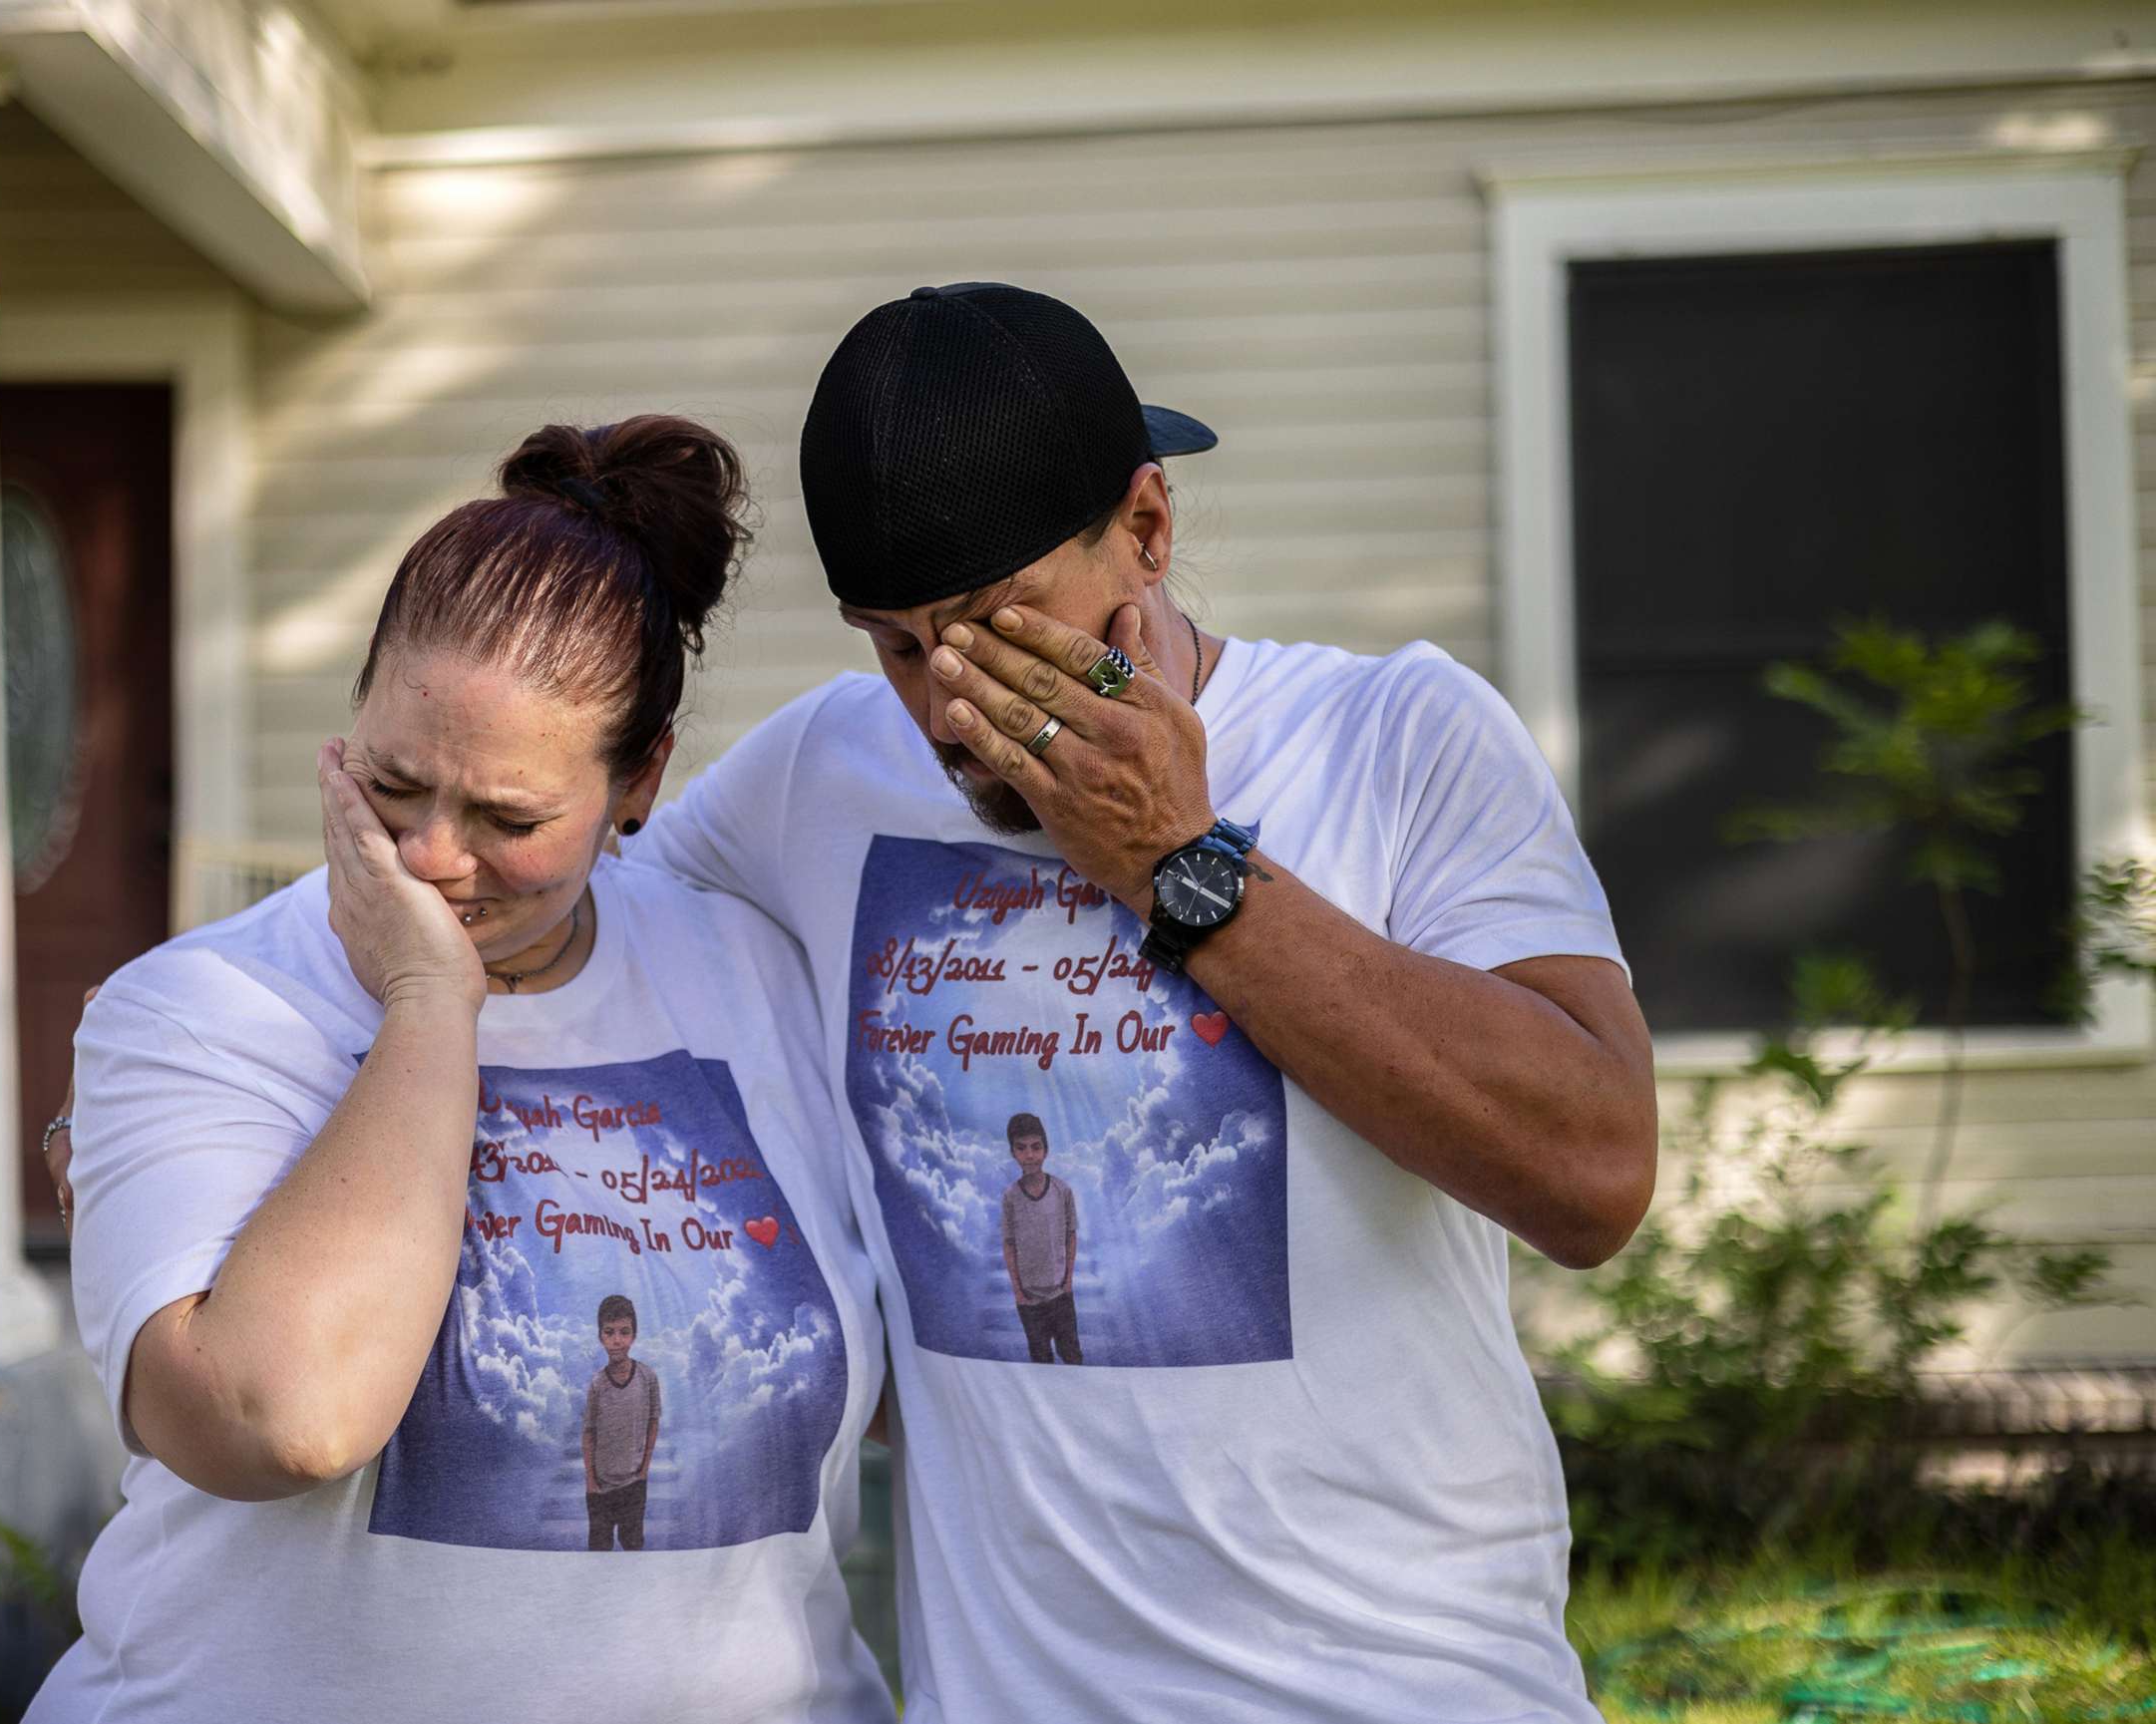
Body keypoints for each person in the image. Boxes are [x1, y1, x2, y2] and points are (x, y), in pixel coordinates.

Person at [628, 283, 1660, 1721]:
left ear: (1149, 530)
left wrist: (1186, 869)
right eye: (896, 642)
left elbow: (1595, 1173)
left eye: (993, 630)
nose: (945, 709)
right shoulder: (817, 774)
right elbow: (575, 942)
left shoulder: (1395, 738)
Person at [27, 417, 893, 1724]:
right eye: (394, 783)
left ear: (641, 783)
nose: (432, 858)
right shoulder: (201, 1013)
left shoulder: (754, 971)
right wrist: (432, 1001)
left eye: (509, 819)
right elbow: (283, 1419)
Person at [581, 1292, 661, 1550]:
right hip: (600, 1488)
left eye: (624, 1332)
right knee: (599, 1552)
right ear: (600, 1337)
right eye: (609, 1332)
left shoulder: (647, 1378)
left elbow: (653, 1423)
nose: (617, 1340)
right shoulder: (597, 1384)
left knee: (633, 1547)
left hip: (634, 1484)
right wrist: (591, 1482)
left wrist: (644, 1470)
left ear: (634, 1335)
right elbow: (589, 1433)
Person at [997, 1112, 1079, 1364]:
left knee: (1072, 1355)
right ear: (1013, 1152)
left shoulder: (1062, 1190)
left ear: (1046, 1149)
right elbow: (1009, 1244)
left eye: (1036, 1147)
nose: (1029, 1155)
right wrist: (1018, 1293)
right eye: (1021, 1148)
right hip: (1029, 1300)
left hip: (1060, 1295)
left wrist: (1067, 1283)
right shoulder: (1010, 1196)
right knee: (1041, 1359)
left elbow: (1070, 1235)